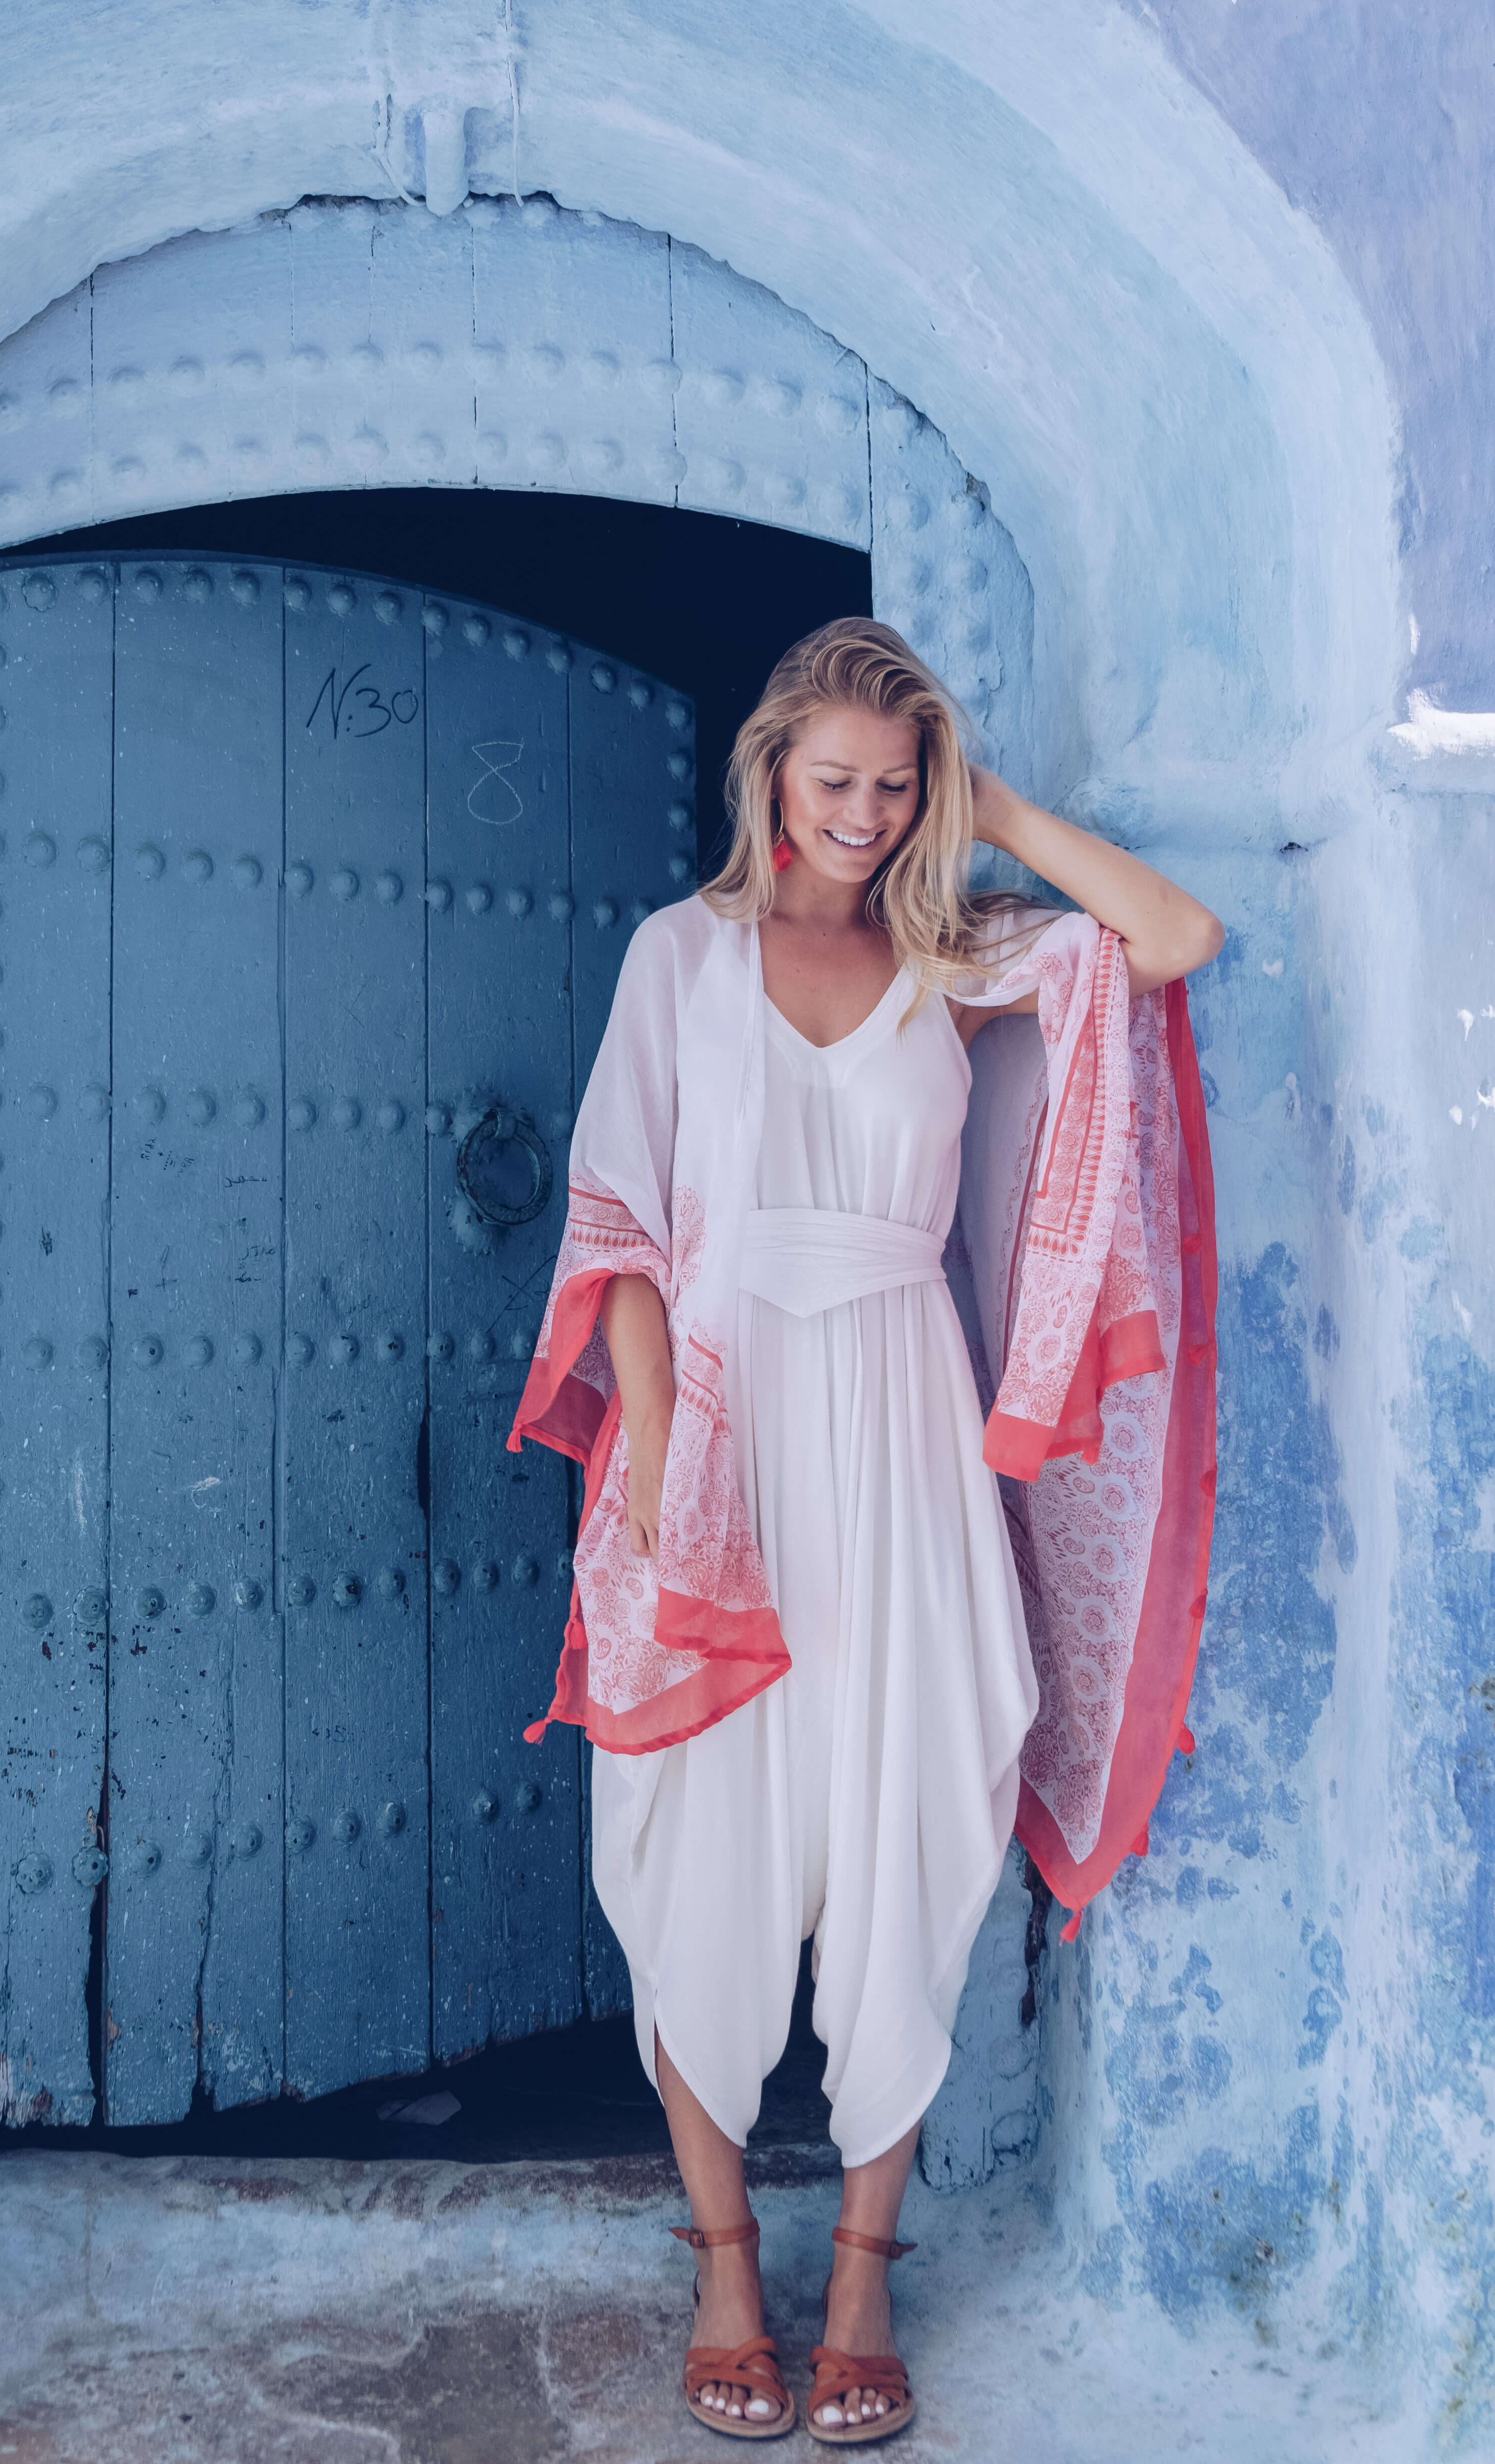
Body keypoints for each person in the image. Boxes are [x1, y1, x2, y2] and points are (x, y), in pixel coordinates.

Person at [509, 619, 1224, 2444]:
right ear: (767, 774)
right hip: (732, 1426)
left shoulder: (950, 949)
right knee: (700, 1843)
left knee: (913, 1816)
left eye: (895, 786)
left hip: (902, 1425)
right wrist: (658, 1446)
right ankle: (728, 2264)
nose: (860, 813)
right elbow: (617, 1219)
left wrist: (993, 812)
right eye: (833, 780)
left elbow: (1167, 942)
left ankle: (860, 2284)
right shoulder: (679, 958)